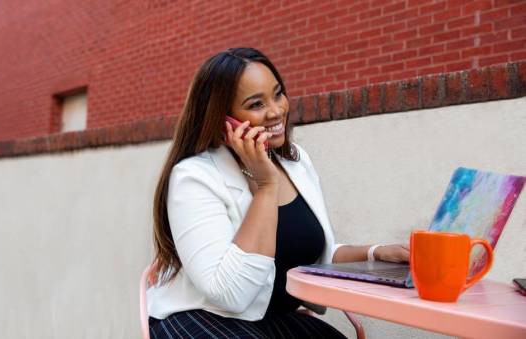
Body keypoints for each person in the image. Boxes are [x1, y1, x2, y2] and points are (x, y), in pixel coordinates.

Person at [147, 47, 409, 338]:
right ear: (223, 120)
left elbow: (311, 254)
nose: (276, 111)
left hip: (272, 320)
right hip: (205, 318)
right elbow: (230, 294)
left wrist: (375, 253)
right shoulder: (194, 177)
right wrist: (267, 188)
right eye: (256, 104)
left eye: (278, 94)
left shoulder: (295, 161)